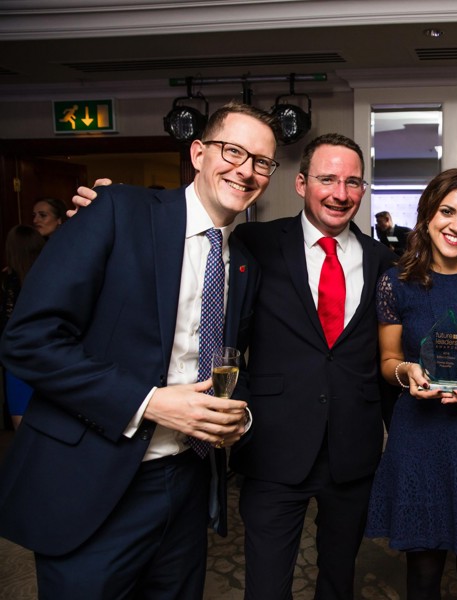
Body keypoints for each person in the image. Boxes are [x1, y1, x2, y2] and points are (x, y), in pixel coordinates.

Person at [0, 101, 274, 598]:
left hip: (185, 486)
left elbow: (232, 363)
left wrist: (240, 418)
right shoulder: (117, 211)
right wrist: (147, 401)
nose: (246, 170)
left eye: (262, 161)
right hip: (93, 482)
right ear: (198, 152)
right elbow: (28, 340)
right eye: (233, 151)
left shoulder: (243, 264)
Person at [227, 133, 397, 600]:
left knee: (339, 579)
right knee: (265, 584)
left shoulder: (385, 260)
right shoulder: (255, 241)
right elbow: (223, 330)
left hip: (353, 447)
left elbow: (387, 352)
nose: (340, 194)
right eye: (327, 179)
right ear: (301, 183)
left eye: (353, 182)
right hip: (272, 445)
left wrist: (400, 432)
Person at [366, 169, 457, 599]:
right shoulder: (395, 283)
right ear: (427, 215)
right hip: (420, 434)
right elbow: (388, 361)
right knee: (423, 572)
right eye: (447, 211)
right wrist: (405, 373)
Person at [0, 225, 45, 429]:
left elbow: (8, 321)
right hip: (49, 355)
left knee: (23, 430)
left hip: (20, 358)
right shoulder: (51, 275)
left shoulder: (11, 281)